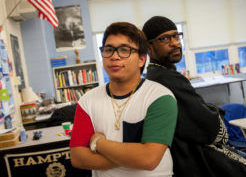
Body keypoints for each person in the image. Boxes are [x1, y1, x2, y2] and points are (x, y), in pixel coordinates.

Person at [142, 16, 246, 177]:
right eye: (165, 39)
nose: (175, 43)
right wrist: (210, 111)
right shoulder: (166, 78)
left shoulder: (157, 73)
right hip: (196, 160)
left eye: (176, 36)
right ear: (149, 47)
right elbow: (210, 127)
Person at [70, 22, 178, 177]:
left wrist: (98, 143)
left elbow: (148, 159)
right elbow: (78, 158)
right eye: (108, 50)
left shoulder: (160, 97)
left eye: (124, 50)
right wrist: (133, 157)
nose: (114, 56)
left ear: (141, 60)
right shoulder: (87, 101)